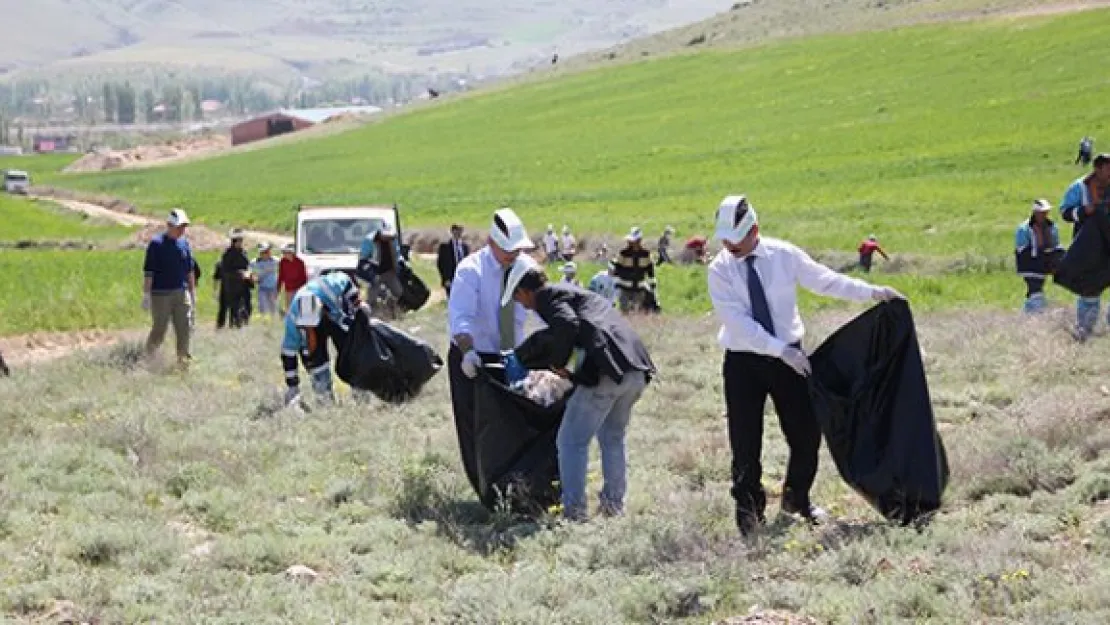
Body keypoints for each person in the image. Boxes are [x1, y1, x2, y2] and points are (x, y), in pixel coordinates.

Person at [706, 194, 904, 536]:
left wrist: (872, 293)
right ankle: (749, 513)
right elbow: (737, 322)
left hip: (790, 362)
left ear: (755, 230)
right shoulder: (720, 269)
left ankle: (798, 498)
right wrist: (779, 350)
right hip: (744, 362)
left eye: (735, 241)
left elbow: (825, 280)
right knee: (745, 440)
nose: (729, 247)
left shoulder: (784, 254)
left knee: (806, 434)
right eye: (725, 240)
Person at [500, 257, 656, 520]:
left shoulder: (547, 296)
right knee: (612, 437)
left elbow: (567, 325)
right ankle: (613, 508)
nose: (522, 306)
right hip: (635, 369)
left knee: (571, 441)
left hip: (607, 373)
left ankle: (574, 513)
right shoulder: (572, 292)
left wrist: (560, 365)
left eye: (518, 299)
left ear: (524, 291)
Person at [447, 207, 536, 493]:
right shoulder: (471, 271)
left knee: (514, 426)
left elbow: (545, 306)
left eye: (517, 249)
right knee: (476, 427)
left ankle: (514, 487)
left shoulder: (527, 269)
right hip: (474, 357)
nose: (513, 255)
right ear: (491, 242)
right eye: (507, 249)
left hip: (513, 356)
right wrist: (468, 351)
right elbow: (461, 317)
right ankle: (484, 491)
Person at [280, 270, 365, 405]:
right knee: (314, 360)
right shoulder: (293, 321)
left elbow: (347, 281)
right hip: (317, 319)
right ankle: (325, 399)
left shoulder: (331, 286)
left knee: (352, 350)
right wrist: (292, 385)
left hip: (335, 315)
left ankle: (361, 394)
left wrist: (356, 304)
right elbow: (288, 352)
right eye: (307, 325)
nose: (310, 328)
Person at [1060, 153, 1110, 339]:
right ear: (1097, 169)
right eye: (1108, 168)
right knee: (1090, 287)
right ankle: (1084, 332)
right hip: (1089, 246)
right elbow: (1065, 213)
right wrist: (1083, 211)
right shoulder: (1079, 187)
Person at [142, 209, 196, 368]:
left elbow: (190, 270)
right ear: (169, 225)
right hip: (160, 294)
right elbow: (149, 272)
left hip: (181, 292)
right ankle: (149, 358)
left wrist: (192, 294)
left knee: (184, 327)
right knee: (160, 329)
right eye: (179, 226)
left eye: (184, 227)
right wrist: (146, 295)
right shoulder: (156, 244)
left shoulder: (184, 244)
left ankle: (183, 361)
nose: (182, 230)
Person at [1015, 199, 1065, 315]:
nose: (1044, 214)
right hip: (1029, 264)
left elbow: (1056, 244)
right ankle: (1037, 312)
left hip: (1044, 263)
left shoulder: (1052, 227)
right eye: (1041, 212)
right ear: (1035, 212)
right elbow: (1021, 248)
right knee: (1035, 288)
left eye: (1046, 212)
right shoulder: (1024, 228)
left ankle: (1028, 312)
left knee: (1036, 289)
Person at [612, 226, 657, 313]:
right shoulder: (623, 253)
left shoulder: (646, 254)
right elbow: (617, 269)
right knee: (624, 311)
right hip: (624, 288)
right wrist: (616, 286)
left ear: (639, 241)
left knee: (636, 311)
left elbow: (650, 271)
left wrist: (653, 286)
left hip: (639, 288)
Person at [214, 229, 252, 329]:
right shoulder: (227, 254)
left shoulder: (243, 252)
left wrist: (249, 275)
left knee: (243, 306)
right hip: (229, 286)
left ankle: (239, 325)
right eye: (238, 240)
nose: (240, 242)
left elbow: (247, 266)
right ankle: (222, 326)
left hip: (242, 285)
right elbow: (225, 271)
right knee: (226, 307)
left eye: (241, 240)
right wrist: (239, 273)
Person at [436, 224, 471, 297]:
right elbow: (440, 264)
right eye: (456, 230)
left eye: (460, 230)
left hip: (464, 280)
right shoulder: (444, 247)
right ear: (452, 231)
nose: (458, 233)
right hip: (450, 280)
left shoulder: (465, 247)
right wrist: (445, 279)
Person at [278, 243, 308, 312]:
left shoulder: (300, 262)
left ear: (291, 252)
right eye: (283, 252)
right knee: (289, 309)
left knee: (299, 308)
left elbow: (304, 277)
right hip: (288, 289)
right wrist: (278, 288)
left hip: (299, 289)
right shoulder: (282, 262)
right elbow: (281, 276)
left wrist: (303, 290)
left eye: (285, 252)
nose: (284, 254)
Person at [252, 242, 280, 318]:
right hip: (262, 289)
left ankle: (274, 323)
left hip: (273, 288)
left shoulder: (276, 261)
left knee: (274, 309)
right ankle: (264, 324)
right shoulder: (255, 262)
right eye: (265, 252)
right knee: (263, 309)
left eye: (268, 251)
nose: (267, 253)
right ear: (260, 253)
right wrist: (254, 278)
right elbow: (251, 273)